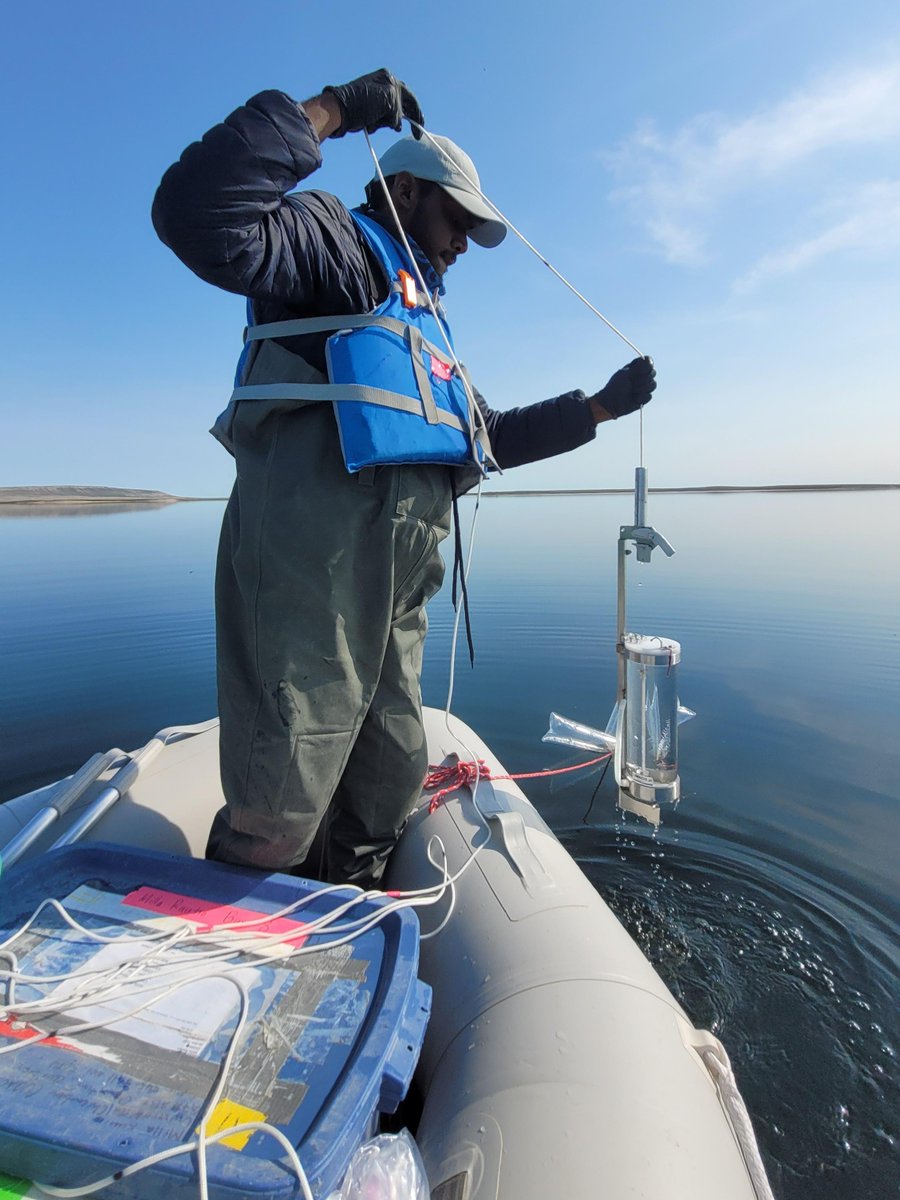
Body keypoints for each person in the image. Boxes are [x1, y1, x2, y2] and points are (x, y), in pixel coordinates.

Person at [152, 69, 656, 888]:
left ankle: (344, 918)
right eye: (457, 220)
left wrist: (597, 406)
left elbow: (488, 438)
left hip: (397, 591)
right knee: (283, 788)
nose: (462, 243)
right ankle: (234, 940)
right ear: (408, 190)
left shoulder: (425, 326)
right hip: (313, 573)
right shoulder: (337, 249)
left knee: (387, 775)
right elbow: (197, 212)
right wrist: (336, 110)